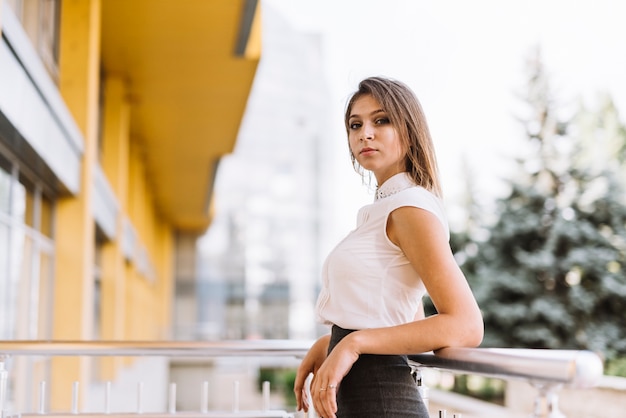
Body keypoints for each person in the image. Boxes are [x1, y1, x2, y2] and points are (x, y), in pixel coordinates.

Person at [293, 76, 484, 418]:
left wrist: (354, 343)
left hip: (383, 402)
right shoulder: (383, 209)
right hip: (365, 399)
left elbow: (466, 325)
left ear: (409, 130)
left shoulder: (410, 208)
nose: (365, 133)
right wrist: (333, 342)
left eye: (381, 120)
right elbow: (401, 313)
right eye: (356, 124)